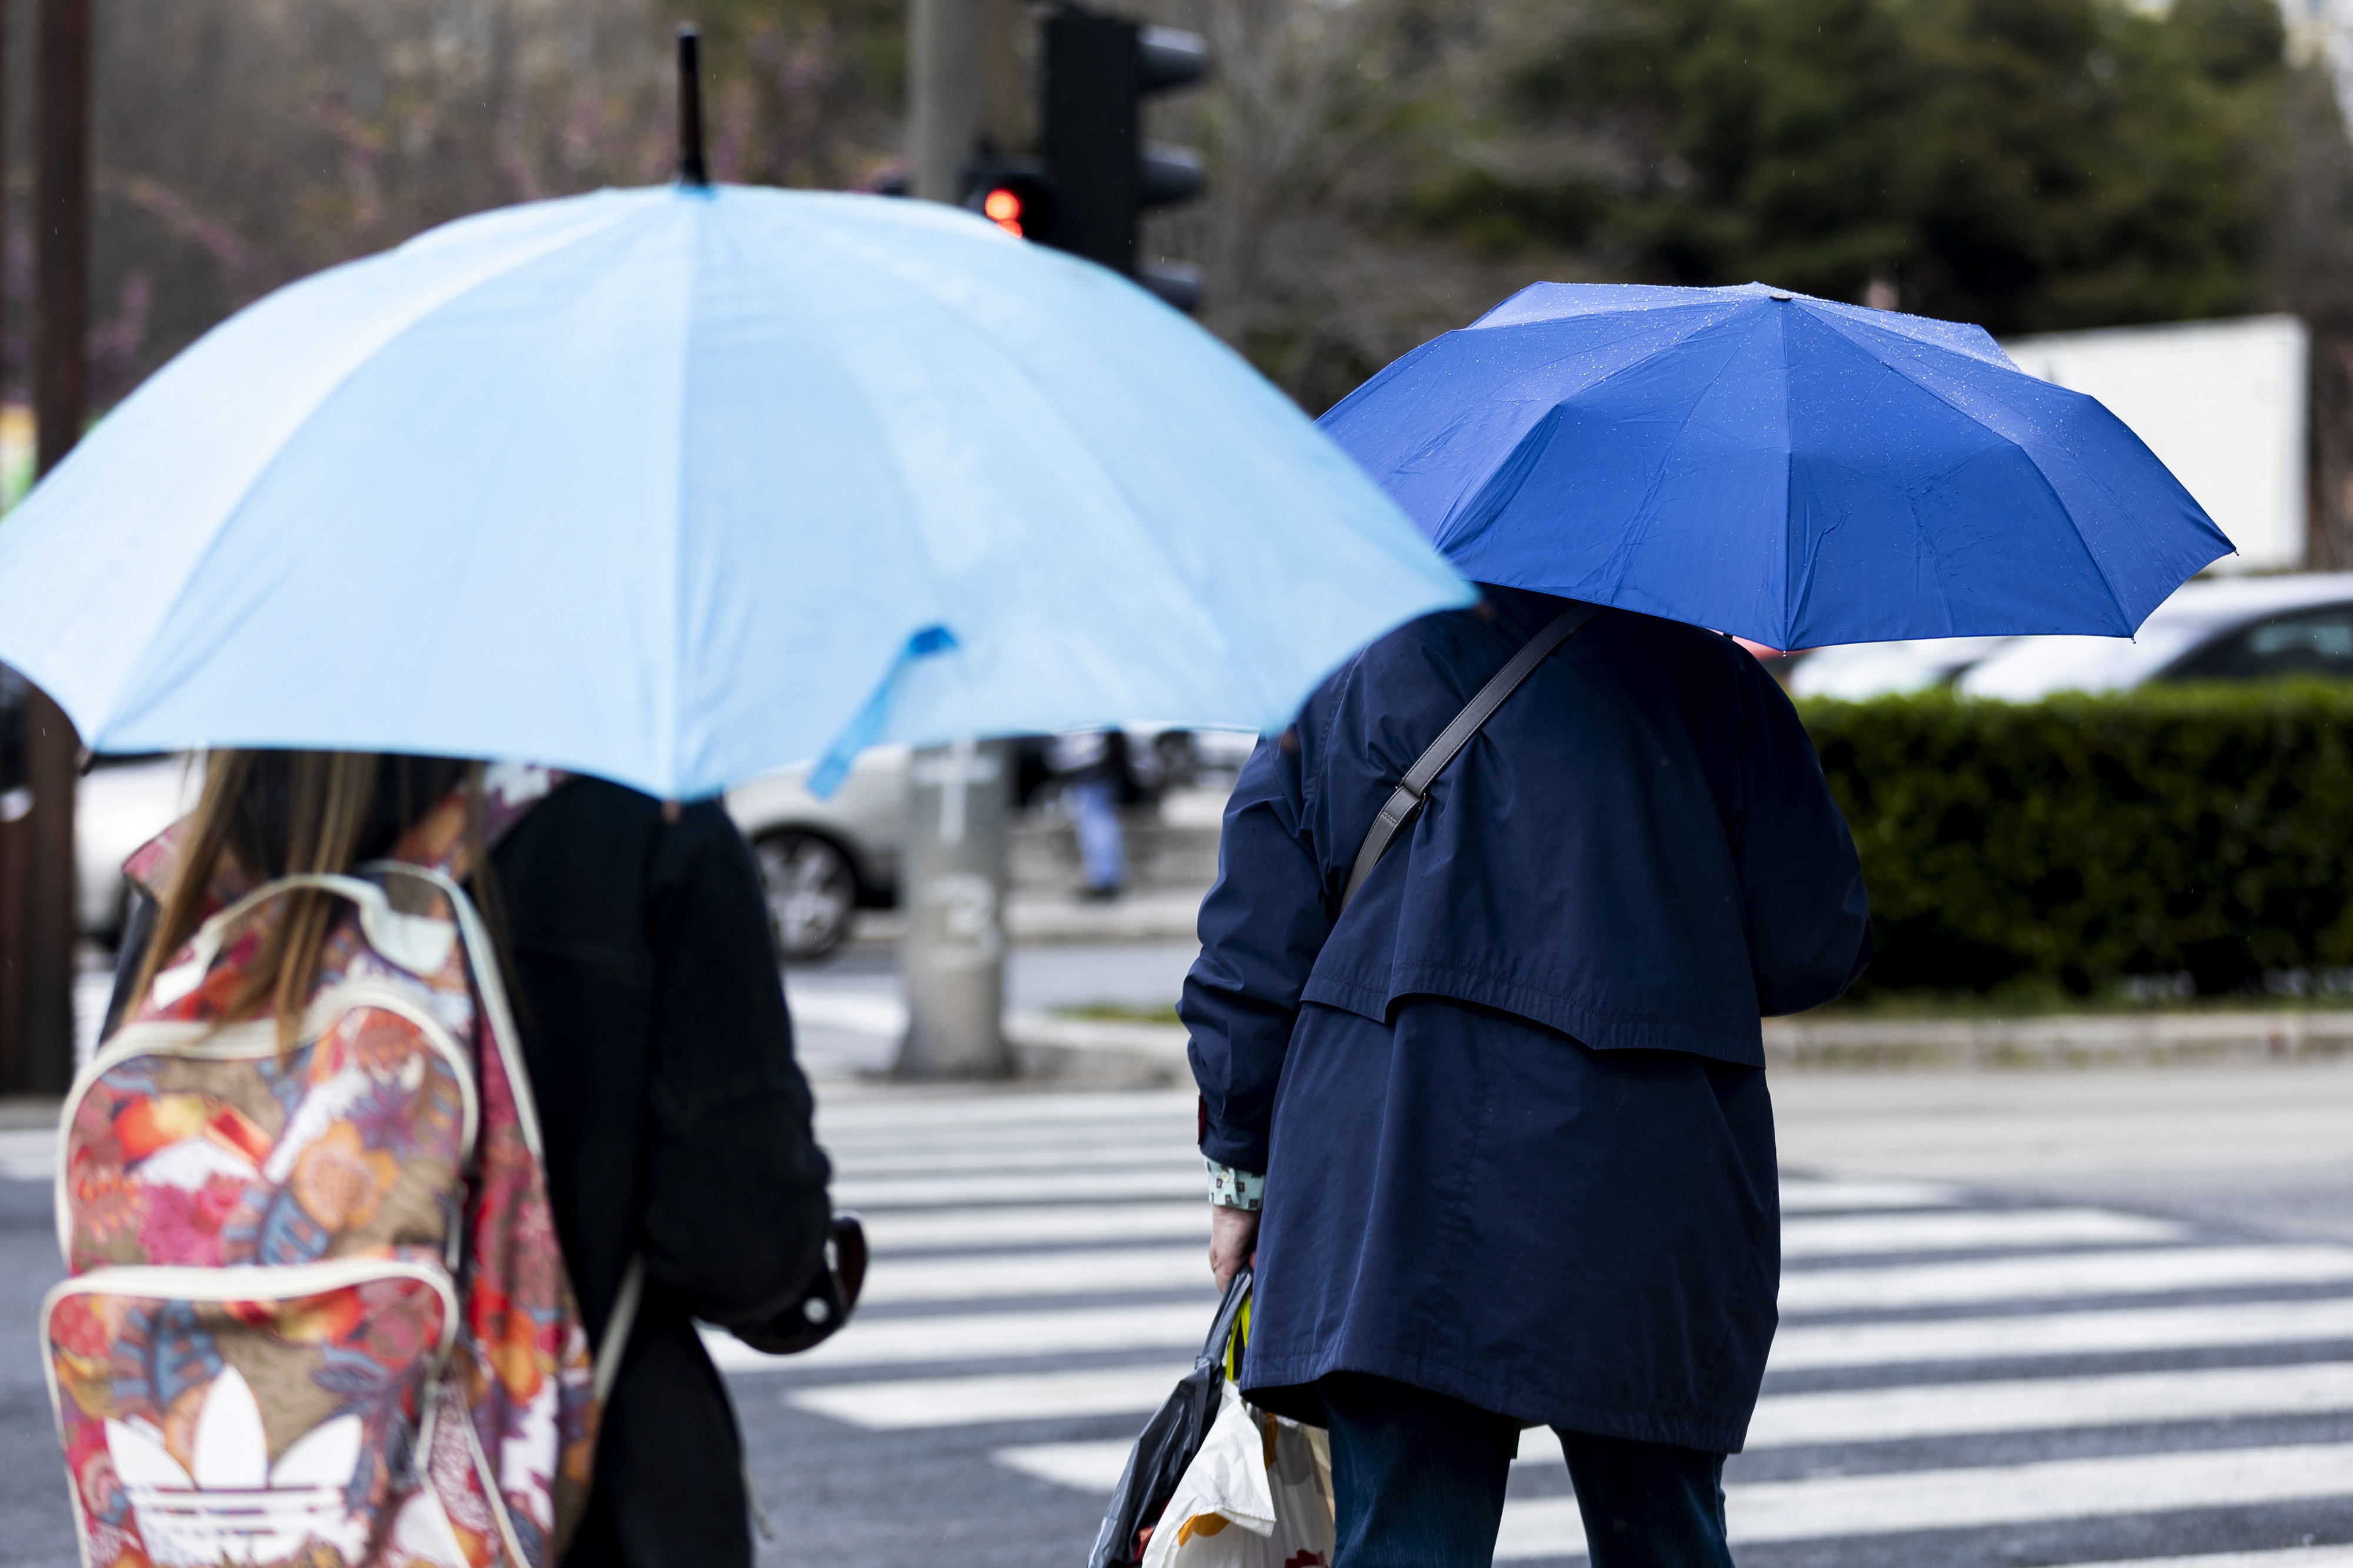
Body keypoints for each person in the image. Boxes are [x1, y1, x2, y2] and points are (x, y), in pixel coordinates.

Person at [1182, 587, 1872, 1567]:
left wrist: (1239, 1177)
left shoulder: (1343, 669)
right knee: (1663, 1533)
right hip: (1643, 1168)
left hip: (1397, 1167)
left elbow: (1251, 952)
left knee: (1408, 1533)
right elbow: (1815, 944)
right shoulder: (1714, 683)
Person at [108, 752, 835, 1568]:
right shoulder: (639, 829)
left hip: (237, 1523)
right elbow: (743, 1248)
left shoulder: (202, 870)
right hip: (585, 1502)